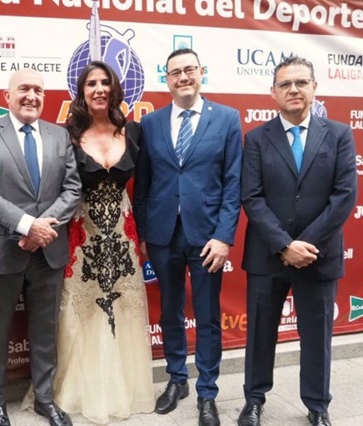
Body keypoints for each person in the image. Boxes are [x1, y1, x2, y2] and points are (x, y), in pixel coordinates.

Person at [238, 56, 357, 426]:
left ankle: (317, 406)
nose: (294, 89)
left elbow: (344, 196)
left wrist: (305, 245)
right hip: (267, 255)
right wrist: (283, 245)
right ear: (273, 92)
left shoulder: (339, 134)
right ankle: (254, 400)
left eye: (301, 82)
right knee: (260, 334)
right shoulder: (256, 139)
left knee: (317, 335)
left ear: (314, 88)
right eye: (285, 84)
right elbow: (252, 197)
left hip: (318, 256)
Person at [133, 48, 242, 426]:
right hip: (163, 234)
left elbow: (233, 184)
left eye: (189, 70)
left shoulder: (227, 118)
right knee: (170, 311)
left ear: (201, 73)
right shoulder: (151, 124)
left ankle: (207, 392)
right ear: (167, 79)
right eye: (175, 72)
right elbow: (143, 184)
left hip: (207, 237)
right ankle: (176, 379)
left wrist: (224, 236)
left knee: (208, 316)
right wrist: (144, 233)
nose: (183, 77)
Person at [0, 68, 81, 426]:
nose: (32, 96)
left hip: (48, 250)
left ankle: (44, 398)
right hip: (1, 250)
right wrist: (27, 225)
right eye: (24, 89)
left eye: (38, 90)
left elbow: (72, 189)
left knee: (45, 331)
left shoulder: (59, 135)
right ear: (7, 96)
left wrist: (40, 229)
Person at [50, 61, 155, 424]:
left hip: (124, 236)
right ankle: (83, 389)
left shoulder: (134, 132)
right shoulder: (67, 135)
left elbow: (144, 188)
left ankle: (124, 388)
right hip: (83, 236)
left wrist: (144, 236)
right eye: (91, 83)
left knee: (124, 309)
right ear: (81, 91)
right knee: (84, 308)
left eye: (105, 83)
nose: (99, 89)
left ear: (114, 89)